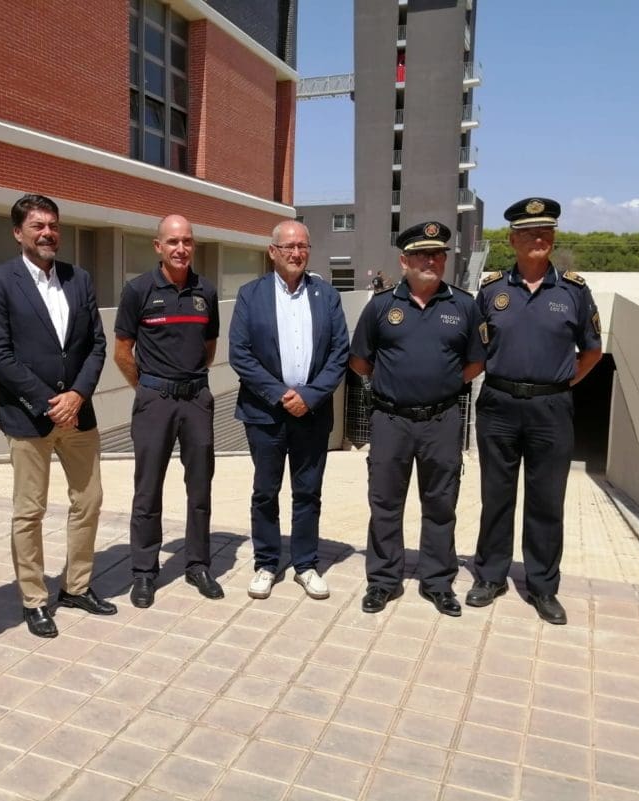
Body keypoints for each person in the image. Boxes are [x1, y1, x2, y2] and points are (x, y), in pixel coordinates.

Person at [0, 194, 115, 639]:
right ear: (18, 233)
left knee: (88, 500)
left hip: (79, 415)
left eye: (52, 225)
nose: (47, 233)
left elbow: (96, 344)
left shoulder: (79, 279)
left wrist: (77, 395)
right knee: (29, 510)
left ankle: (76, 586)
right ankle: (34, 599)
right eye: (37, 226)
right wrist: (49, 400)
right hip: (28, 416)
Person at [468, 198, 603, 625]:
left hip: (551, 407)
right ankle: (490, 576)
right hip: (499, 404)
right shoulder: (491, 290)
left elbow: (593, 352)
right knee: (496, 495)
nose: (537, 239)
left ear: (554, 237)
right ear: (512, 240)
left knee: (547, 500)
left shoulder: (574, 292)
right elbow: (474, 350)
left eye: (545, 232)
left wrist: (561, 385)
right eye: (528, 233)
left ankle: (543, 586)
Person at [350, 222, 486, 616]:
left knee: (441, 504)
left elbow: (476, 362)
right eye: (423, 255)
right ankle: (383, 581)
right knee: (385, 503)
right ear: (404, 260)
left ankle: (438, 582)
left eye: (438, 254)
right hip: (390, 420)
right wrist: (392, 385)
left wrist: (441, 385)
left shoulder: (463, 305)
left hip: (441, 420)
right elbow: (360, 359)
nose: (431, 260)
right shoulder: (380, 306)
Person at [228, 220, 349, 601]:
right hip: (265, 413)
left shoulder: (327, 296)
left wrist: (309, 396)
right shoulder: (251, 295)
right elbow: (240, 354)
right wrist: (281, 394)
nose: (296, 253)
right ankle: (266, 562)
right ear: (273, 252)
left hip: (312, 414)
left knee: (308, 492)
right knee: (265, 491)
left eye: (303, 246)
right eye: (289, 247)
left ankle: (306, 563)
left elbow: (339, 354)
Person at [114, 214, 222, 607]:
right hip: (154, 400)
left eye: (187, 241)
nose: (181, 249)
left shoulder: (205, 292)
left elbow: (208, 349)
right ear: (158, 246)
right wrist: (146, 388)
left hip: (196, 399)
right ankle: (144, 571)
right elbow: (122, 351)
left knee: (200, 487)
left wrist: (188, 381)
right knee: (147, 490)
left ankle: (198, 564)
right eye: (173, 241)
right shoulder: (138, 290)